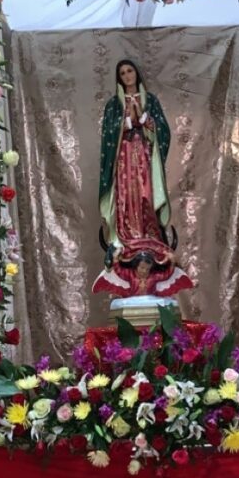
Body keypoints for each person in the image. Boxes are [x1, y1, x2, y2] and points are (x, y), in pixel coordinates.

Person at [93, 59, 193, 298]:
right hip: (124, 160)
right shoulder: (114, 104)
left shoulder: (151, 101)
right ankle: (127, 236)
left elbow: (163, 131)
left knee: (146, 195)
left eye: (130, 71)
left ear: (137, 73)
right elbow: (108, 134)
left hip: (145, 160)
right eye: (122, 73)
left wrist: (145, 121)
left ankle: (149, 234)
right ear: (118, 78)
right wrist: (126, 122)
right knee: (126, 197)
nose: (127, 75)